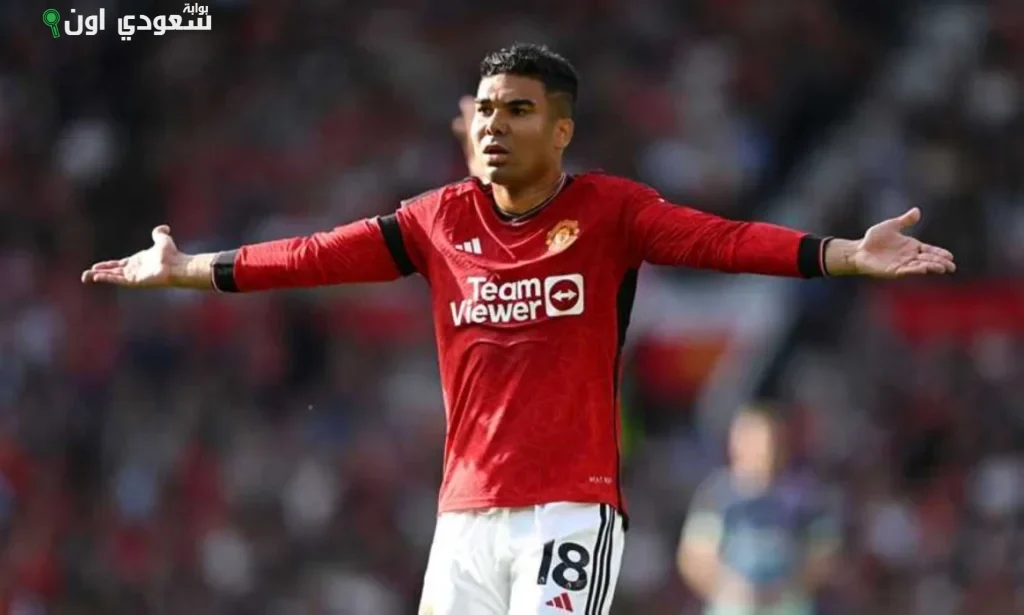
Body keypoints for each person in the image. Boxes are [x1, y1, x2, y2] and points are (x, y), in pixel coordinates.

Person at [82, 43, 954, 615]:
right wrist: (189, 268)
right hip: (464, 516)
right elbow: (313, 254)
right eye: (487, 111)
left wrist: (843, 252)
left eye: (518, 111)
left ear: (562, 130)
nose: (495, 125)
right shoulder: (436, 219)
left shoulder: (612, 211)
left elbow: (722, 240)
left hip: (569, 511)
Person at [678, 406, 839, 615]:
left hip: (788, 606)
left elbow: (824, 552)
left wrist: (786, 588)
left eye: (768, 439)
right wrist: (732, 589)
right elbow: (694, 556)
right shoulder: (715, 494)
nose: (762, 447)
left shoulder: (806, 495)